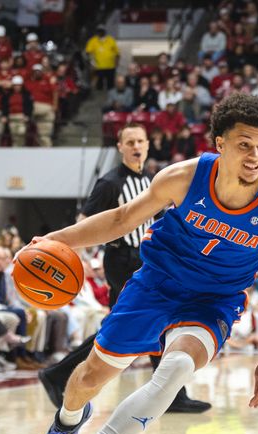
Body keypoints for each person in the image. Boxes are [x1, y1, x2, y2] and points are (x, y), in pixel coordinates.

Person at [36, 93, 258, 434]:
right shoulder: (183, 177)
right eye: (244, 145)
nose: (255, 156)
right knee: (89, 378)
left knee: (176, 368)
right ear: (220, 144)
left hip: (213, 302)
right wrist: (53, 241)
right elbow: (121, 219)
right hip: (155, 286)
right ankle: (69, 419)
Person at [37, 123, 210, 412]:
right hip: (121, 260)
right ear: (120, 147)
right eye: (129, 142)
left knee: (143, 325)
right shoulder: (109, 183)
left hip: (145, 258)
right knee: (146, 322)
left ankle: (171, 395)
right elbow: (85, 221)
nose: (136, 146)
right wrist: (79, 257)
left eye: (140, 141)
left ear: (147, 145)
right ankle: (58, 375)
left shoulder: (151, 180)